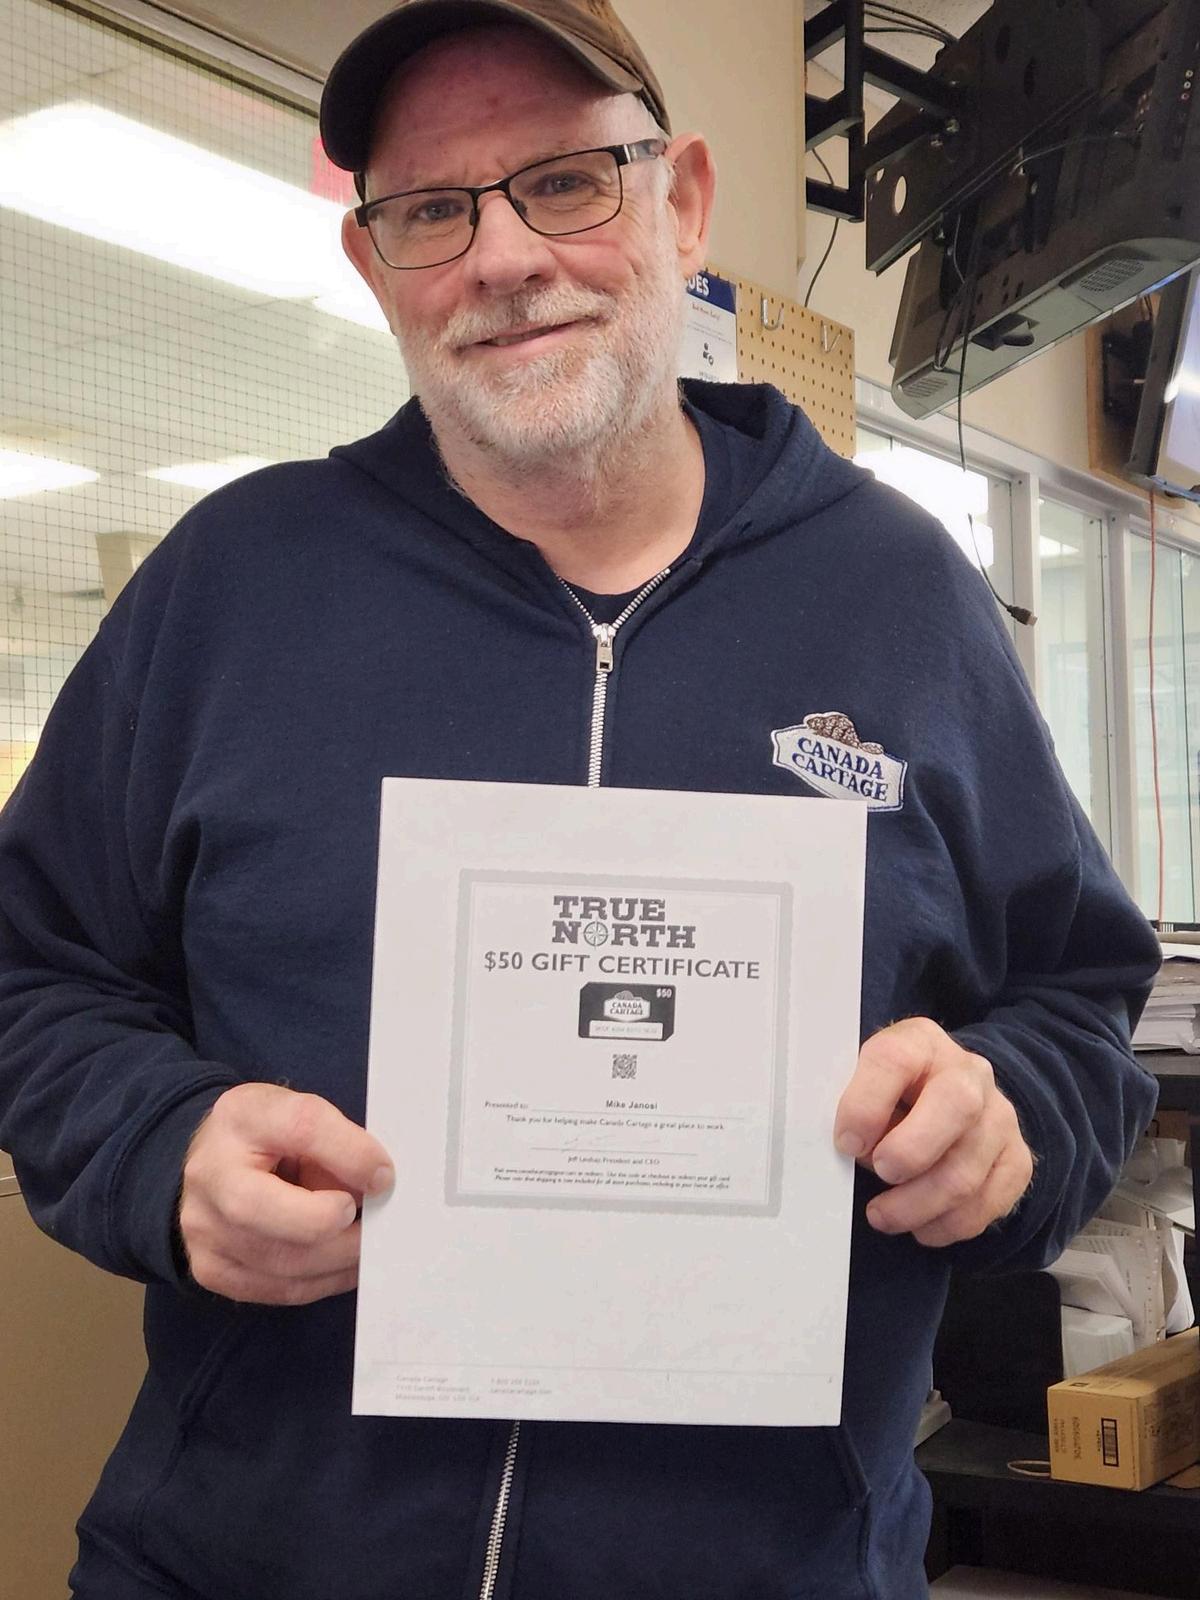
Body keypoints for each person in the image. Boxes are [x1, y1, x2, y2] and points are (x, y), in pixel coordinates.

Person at [0, 2, 1160, 1597]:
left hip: (767, 1565)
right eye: (432, 209)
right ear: (374, 265)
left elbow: (1080, 1000)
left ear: (683, 204)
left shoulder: (900, 597)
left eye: (564, 181)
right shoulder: (232, 587)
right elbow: (33, 969)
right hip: (251, 1556)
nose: (501, 257)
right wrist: (158, 1140)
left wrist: (1007, 1115)